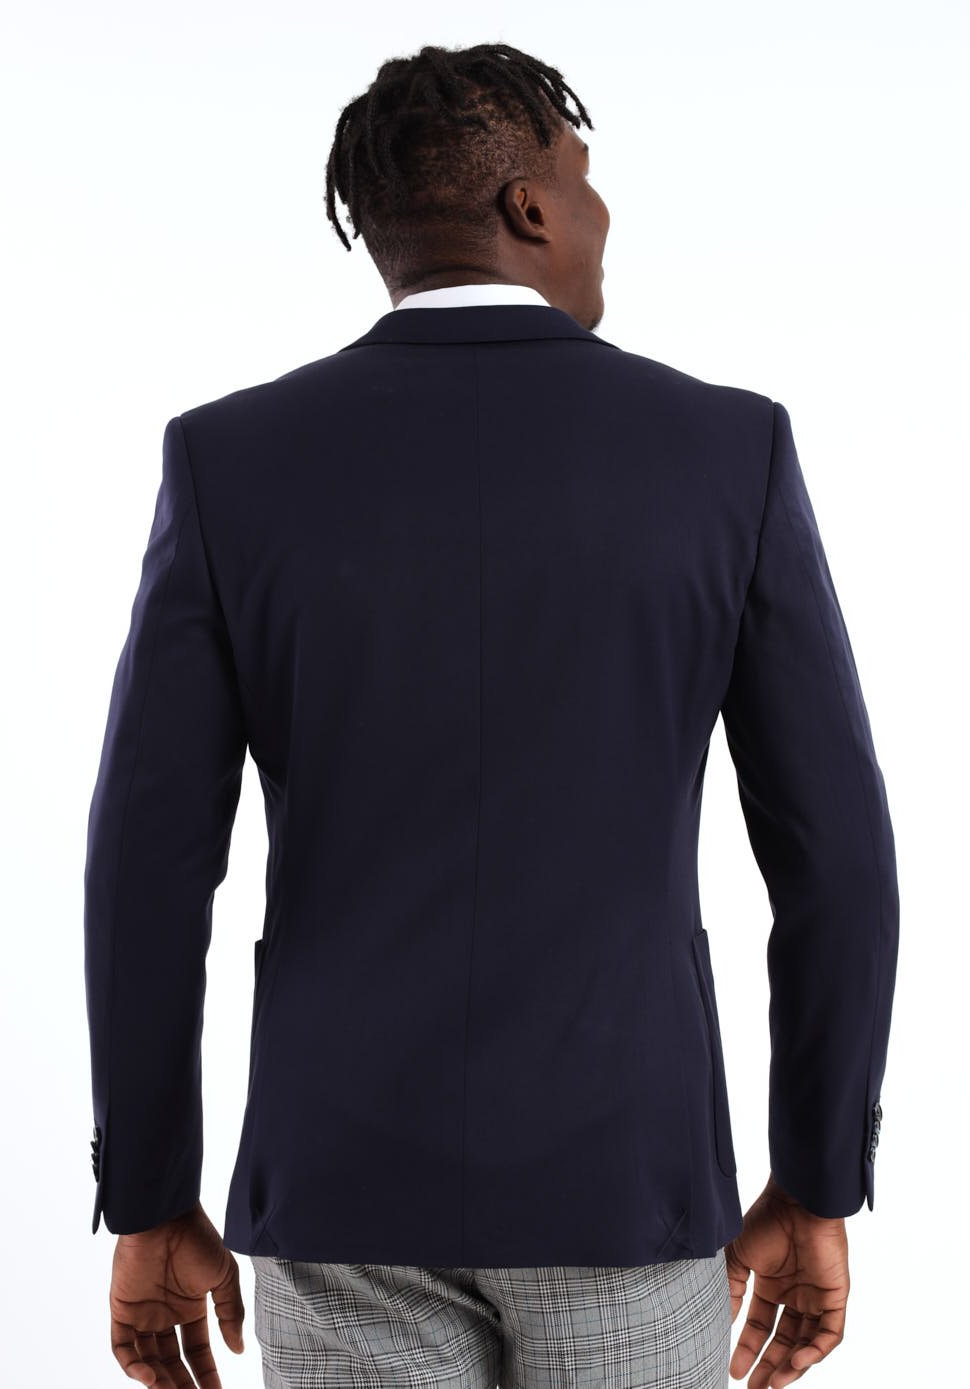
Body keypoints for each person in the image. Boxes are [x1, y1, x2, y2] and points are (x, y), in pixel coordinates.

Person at [83, 39, 899, 1389]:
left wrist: (149, 1193)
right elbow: (837, 858)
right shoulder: (724, 452)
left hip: (342, 1184)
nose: (600, 212)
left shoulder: (231, 462)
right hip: (626, 1182)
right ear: (527, 206)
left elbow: (146, 865)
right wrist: (817, 1176)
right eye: (582, 180)